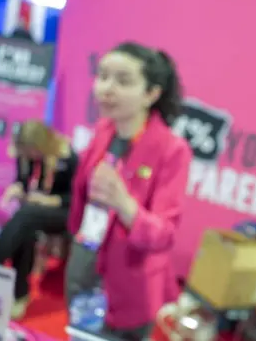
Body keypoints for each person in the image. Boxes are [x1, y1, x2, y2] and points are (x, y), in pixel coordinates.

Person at [65, 41, 192, 340]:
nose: (106, 88)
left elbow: (164, 233)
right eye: (103, 76)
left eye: (123, 81)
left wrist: (125, 204)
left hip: (130, 284)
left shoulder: (171, 150)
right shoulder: (104, 130)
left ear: (151, 94)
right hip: (84, 262)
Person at [0, 120, 78, 319]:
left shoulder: (67, 156)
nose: (30, 155)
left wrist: (47, 200)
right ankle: (20, 294)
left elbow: (75, 198)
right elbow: (23, 181)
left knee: (27, 215)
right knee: (25, 228)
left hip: (64, 213)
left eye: (32, 150)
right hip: (34, 212)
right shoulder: (25, 155)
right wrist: (17, 189)